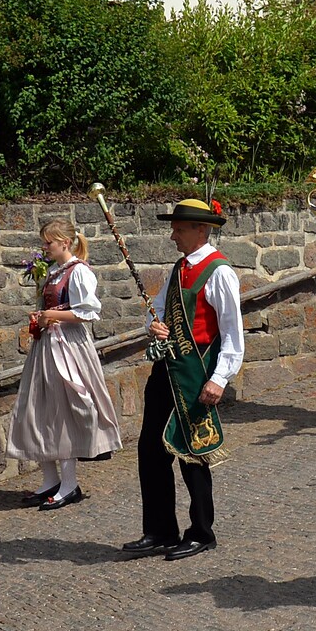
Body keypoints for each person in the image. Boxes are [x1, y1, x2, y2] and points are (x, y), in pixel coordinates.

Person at [123, 197, 244, 561]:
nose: (173, 235)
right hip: (166, 370)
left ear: (200, 230)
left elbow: (233, 333)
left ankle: (201, 531)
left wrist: (220, 379)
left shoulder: (219, 272)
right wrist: (154, 325)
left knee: (193, 452)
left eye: (179, 228)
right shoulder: (179, 268)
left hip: (196, 372)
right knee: (151, 450)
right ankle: (160, 529)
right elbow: (158, 309)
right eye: (174, 228)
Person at [6, 218, 123, 509]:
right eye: (44, 242)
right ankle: (50, 480)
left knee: (64, 411)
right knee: (39, 409)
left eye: (49, 242)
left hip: (68, 347)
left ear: (65, 243)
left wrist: (53, 316)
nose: (45, 247)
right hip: (47, 345)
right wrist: (43, 316)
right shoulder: (54, 271)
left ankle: (70, 484)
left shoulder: (79, 271)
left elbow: (89, 312)